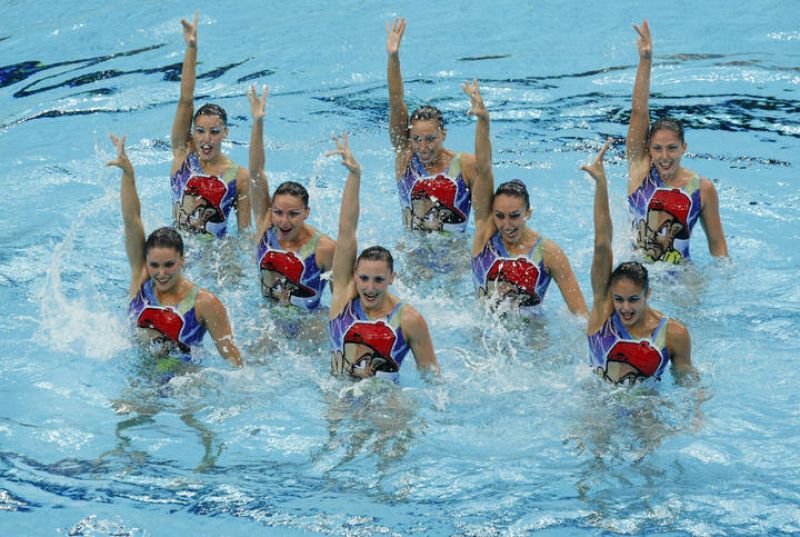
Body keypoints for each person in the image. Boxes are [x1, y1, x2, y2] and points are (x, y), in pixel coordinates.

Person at [107, 134, 243, 369]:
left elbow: (233, 361)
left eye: (169, 265)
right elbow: (132, 220)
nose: (160, 274)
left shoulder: (205, 303)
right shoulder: (141, 279)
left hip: (185, 383)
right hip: (141, 371)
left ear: (182, 260)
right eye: (155, 265)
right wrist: (128, 175)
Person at [466, 80, 587, 316]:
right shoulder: (484, 234)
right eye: (499, 216)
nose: (506, 225)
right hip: (482, 332)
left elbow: (581, 315)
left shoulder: (549, 253)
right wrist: (483, 122)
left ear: (528, 213)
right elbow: (483, 170)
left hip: (533, 339)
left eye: (515, 216)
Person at [327, 134, 440, 382]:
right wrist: (355, 176)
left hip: (386, 405)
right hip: (338, 399)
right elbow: (346, 231)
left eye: (378, 279)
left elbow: (433, 379)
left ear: (392, 278)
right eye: (364, 278)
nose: (369, 287)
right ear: (354, 276)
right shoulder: (343, 297)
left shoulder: (409, 320)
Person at [582, 139, 694, 385]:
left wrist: (695, 417)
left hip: (647, 409)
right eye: (619, 299)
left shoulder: (674, 334)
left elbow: (688, 384)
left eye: (633, 299)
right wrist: (601, 184)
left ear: (648, 294)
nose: (625, 308)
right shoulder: (603, 313)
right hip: (597, 410)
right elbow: (602, 243)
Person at [626, 21, 727, 263]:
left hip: (681, 277)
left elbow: (717, 244)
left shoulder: (702, 189)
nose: (664, 156)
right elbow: (639, 111)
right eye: (657, 148)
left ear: (684, 148)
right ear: (648, 149)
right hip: (637, 278)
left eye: (672, 148)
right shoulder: (641, 170)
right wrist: (645, 60)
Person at [247, 84, 335, 310]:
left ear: (306, 213)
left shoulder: (325, 248)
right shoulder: (266, 226)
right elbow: (256, 173)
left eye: (293, 214)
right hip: (267, 321)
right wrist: (257, 123)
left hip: (309, 327)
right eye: (278, 212)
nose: (283, 221)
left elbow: (340, 300)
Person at [387, 18, 478, 234]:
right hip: (412, 253)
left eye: (430, 139)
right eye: (416, 139)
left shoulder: (465, 165)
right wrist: (393, 56)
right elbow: (396, 99)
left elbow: (486, 215)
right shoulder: (405, 157)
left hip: (455, 256)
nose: (423, 147)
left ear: (443, 135)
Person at [170, 12, 250, 239]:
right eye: (200, 131)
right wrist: (191, 48)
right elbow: (186, 98)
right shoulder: (182, 153)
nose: (206, 139)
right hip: (176, 250)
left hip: (212, 257)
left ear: (225, 133)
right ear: (192, 133)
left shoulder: (239, 176)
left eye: (214, 132)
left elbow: (245, 232)